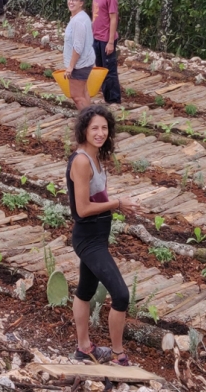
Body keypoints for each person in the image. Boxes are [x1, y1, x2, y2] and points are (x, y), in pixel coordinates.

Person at [66, 105, 140, 366]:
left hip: (97, 236)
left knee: (85, 291)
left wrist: (119, 205)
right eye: (94, 128)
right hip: (88, 238)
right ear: (84, 130)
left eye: (104, 128)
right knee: (121, 295)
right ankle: (118, 354)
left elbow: (97, 197)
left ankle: (83, 348)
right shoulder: (82, 161)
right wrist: (117, 204)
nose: (100, 133)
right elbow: (83, 208)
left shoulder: (94, 157)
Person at [92, 0, 121, 104]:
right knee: (99, 69)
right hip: (96, 37)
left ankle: (114, 101)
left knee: (109, 71)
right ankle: (106, 98)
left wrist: (110, 42)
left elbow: (114, 18)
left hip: (106, 38)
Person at [64, 0, 95, 111]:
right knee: (83, 92)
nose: (71, 2)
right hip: (85, 61)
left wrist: (71, 67)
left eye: (74, 0)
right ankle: (89, 118)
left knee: (77, 96)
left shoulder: (78, 21)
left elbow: (78, 47)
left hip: (79, 65)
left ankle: (87, 122)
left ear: (81, 3)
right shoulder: (80, 17)